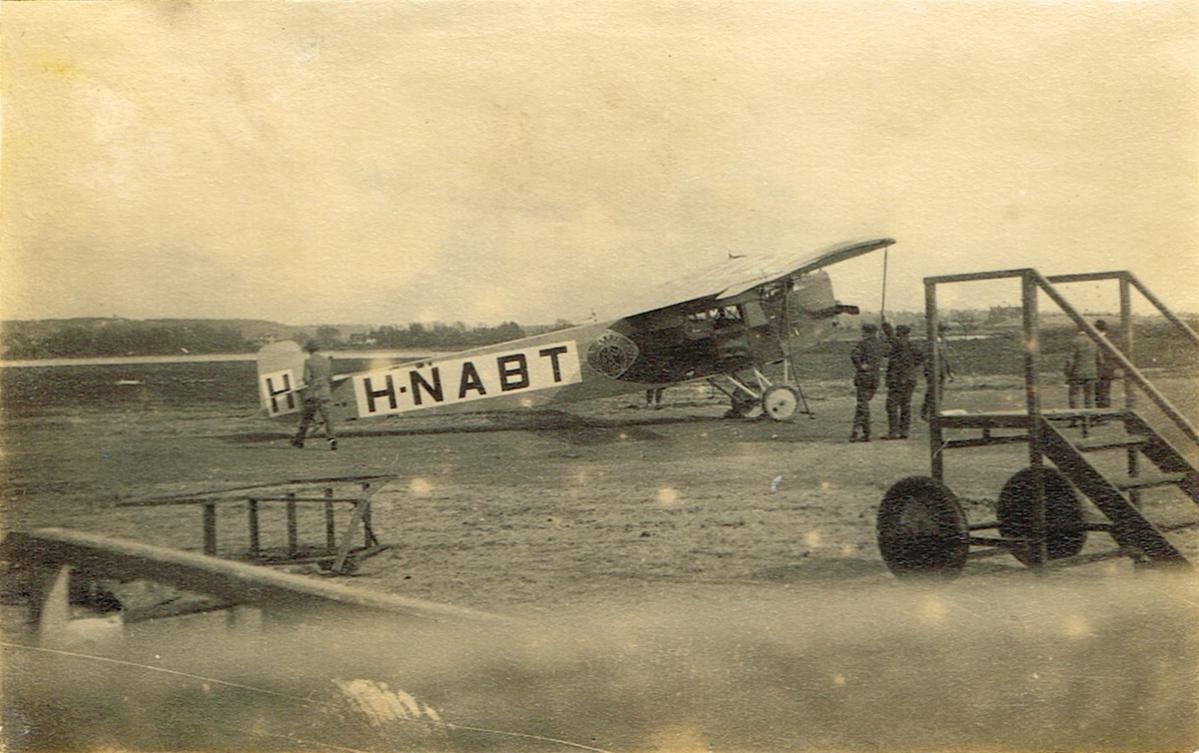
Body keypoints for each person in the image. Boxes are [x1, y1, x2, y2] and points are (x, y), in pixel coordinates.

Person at [292, 340, 338, 450]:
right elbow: (330, 378)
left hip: (312, 394)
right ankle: (332, 440)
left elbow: (306, 379)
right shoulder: (327, 361)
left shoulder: (308, 362)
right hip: (325, 393)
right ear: (318, 349)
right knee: (328, 418)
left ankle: (299, 440)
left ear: (308, 350)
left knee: (306, 418)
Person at [882, 322, 923, 439]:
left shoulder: (898, 344)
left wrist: (885, 326)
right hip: (910, 379)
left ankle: (893, 432)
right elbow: (920, 358)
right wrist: (911, 368)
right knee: (906, 405)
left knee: (891, 405)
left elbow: (891, 338)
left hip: (897, 380)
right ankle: (904, 431)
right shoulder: (913, 345)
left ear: (899, 333)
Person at [849, 322, 886, 442]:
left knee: (862, 405)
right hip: (875, 378)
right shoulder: (880, 344)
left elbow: (854, 356)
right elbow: (887, 352)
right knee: (863, 404)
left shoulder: (862, 344)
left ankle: (863, 432)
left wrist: (860, 366)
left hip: (864, 377)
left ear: (865, 332)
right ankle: (860, 432)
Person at [921, 322, 955, 421]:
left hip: (942, 370)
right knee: (931, 391)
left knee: (939, 392)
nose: (945, 333)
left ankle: (936, 411)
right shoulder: (931, 342)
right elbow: (926, 358)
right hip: (933, 370)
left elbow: (945, 358)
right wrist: (928, 371)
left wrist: (950, 372)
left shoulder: (943, 342)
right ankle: (925, 412)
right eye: (943, 331)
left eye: (945, 331)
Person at [1064, 325, 1098, 413]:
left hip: (1076, 373)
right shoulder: (1094, 341)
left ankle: (1075, 418)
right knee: (1089, 397)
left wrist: (1067, 373)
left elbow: (1070, 360)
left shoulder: (1074, 341)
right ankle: (1089, 419)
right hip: (1091, 373)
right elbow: (1099, 359)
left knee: (1074, 396)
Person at [1093, 320, 1117, 409]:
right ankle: (1104, 413)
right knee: (1104, 392)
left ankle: (1103, 414)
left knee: (1101, 392)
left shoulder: (1099, 341)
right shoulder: (1110, 339)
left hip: (1102, 370)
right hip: (1108, 369)